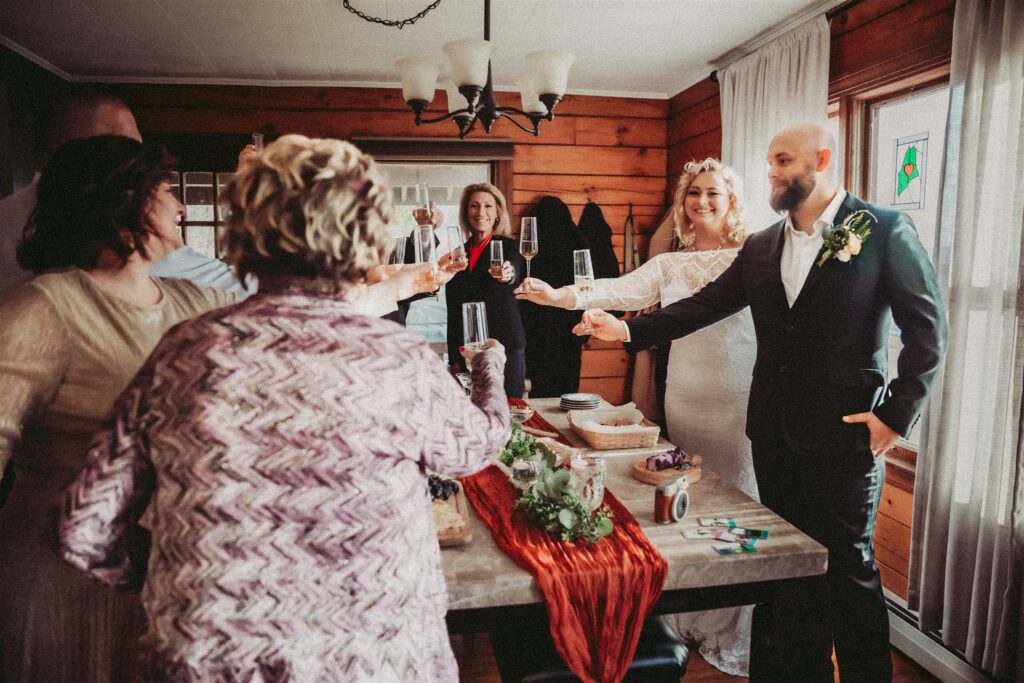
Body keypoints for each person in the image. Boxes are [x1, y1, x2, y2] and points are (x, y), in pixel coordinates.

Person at [59, 135, 511, 682]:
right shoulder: (396, 359)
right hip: (373, 660)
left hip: (211, 662)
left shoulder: (183, 352)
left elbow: (85, 529)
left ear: (245, 229)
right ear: (366, 238)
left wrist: (178, 569)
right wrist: (490, 365)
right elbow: (479, 444)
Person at [581, 122, 947, 682]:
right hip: (773, 434)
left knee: (849, 572)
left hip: (845, 436)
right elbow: (702, 306)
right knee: (785, 573)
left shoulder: (883, 230)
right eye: (769, 164)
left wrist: (894, 417)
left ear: (821, 160)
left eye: (782, 161)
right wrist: (627, 333)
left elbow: (928, 334)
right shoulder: (762, 246)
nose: (771, 174)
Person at [0, 135, 239, 683]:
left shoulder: (189, 299)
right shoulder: (41, 309)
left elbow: (289, 316)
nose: (180, 206)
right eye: (163, 191)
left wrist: (399, 281)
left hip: (163, 572)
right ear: (120, 199)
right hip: (60, 577)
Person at [516, 158, 757, 676]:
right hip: (686, 399)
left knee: (738, 498)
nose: (703, 202)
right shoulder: (669, 265)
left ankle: (733, 619)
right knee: (688, 499)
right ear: (683, 204)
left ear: (732, 201)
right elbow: (618, 289)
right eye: (694, 194)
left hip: (739, 400)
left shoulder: (754, 257)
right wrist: (559, 295)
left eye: (714, 193)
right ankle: (692, 611)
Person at [0, 90, 248, 295]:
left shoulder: (7, 215)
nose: (142, 161)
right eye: (129, 148)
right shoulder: (121, 220)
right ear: (90, 151)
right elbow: (248, 289)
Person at [445, 182, 527, 397]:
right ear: (466, 212)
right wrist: (454, 359)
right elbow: (453, 311)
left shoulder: (509, 247)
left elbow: (514, 272)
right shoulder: (457, 254)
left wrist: (507, 275)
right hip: (469, 352)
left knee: (508, 412)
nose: (481, 212)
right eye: (474, 206)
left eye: (488, 206)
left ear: (498, 212)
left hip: (506, 346)